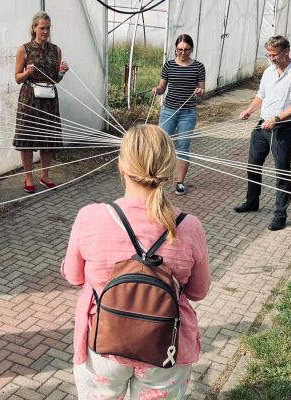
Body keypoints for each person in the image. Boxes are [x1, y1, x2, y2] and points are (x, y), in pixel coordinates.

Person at [62, 124, 211, 399]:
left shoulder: (90, 217)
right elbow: (198, 291)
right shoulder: (189, 226)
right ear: (169, 168)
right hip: (166, 346)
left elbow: (74, 276)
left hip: (104, 341)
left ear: (121, 165)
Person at [233, 35, 291, 231]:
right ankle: (252, 202)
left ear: (286, 52)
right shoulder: (269, 71)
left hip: (283, 128)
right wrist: (249, 110)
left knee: (282, 170)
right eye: (269, 55)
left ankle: (280, 214)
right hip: (263, 124)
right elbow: (261, 95)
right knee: (253, 165)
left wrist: (276, 119)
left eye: (275, 55)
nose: (272, 58)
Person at [13, 11, 69, 193]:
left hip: (49, 100)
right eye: (42, 28)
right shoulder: (24, 49)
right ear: (34, 28)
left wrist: (62, 72)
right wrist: (27, 73)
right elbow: (17, 78)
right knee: (27, 139)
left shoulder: (56, 50)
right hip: (29, 98)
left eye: (48, 28)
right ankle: (28, 177)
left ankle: (45, 176)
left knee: (48, 139)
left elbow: (55, 79)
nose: (45, 31)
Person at [151, 33, 206, 196]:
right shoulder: (169, 65)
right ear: (176, 49)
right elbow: (162, 88)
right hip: (168, 111)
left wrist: (200, 91)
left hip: (188, 114)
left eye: (186, 49)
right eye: (180, 49)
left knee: (183, 147)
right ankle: (156, 179)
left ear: (192, 49)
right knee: (160, 145)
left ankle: (180, 182)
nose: (183, 52)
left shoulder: (198, 67)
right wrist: (157, 90)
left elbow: (202, 89)